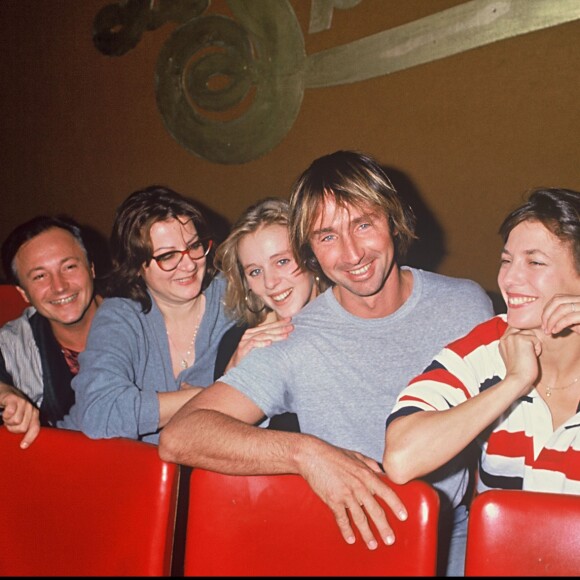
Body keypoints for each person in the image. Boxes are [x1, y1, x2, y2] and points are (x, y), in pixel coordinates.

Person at [159, 149, 494, 569]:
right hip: (351, 543)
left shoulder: (465, 305)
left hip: (455, 539)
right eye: (327, 236)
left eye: (363, 224)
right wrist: (307, 454)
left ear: (393, 219)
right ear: (310, 250)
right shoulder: (297, 338)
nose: (352, 254)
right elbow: (181, 436)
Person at [383, 187, 580, 575]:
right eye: (506, 260)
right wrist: (514, 382)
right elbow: (402, 458)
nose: (510, 278)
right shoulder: (487, 346)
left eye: (534, 262)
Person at [60, 185, 234, 444]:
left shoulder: (231, 297)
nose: (188, 264)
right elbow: (99, 414)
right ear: (137, 265)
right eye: (167, 256)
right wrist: (206, 396)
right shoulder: (120, 316)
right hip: (95, 463)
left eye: (194, 246)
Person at [214, 196, 327, 432]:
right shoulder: (235, 343)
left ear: (311, 256)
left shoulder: (352, 324)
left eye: (282, 261)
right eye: (255, 271)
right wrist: (231, 376)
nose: (270, 282)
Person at [0, 216, 101, 449]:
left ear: (91, 268)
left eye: (69, 267)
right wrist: (5, 393)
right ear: (23, 293)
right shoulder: (15, 341)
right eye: (40, 276)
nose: (60, 286)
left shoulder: (140, 320)